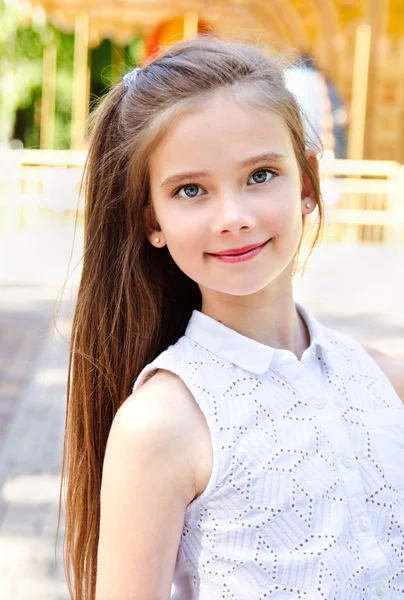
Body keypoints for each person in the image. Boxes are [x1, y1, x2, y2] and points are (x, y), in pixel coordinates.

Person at [57, 36, 404, 600]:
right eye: (191, 189)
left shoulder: (387, 383)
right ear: (153, 219)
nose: (234, 217)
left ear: (308, 183)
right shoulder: (163, 425)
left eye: (261, 175)